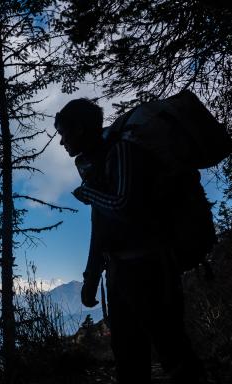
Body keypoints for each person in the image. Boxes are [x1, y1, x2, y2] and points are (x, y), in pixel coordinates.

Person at [54, 98, 205, 384]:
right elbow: (100, 227)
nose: (62, 143)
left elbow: (126, 205)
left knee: (170, 347)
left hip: (150, 268)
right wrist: (91, 278)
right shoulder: (95, 165)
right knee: (128, 354)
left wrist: (89, 195)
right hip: (122, 272)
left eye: (64, 133)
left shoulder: (122, 152)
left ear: (81, 128)